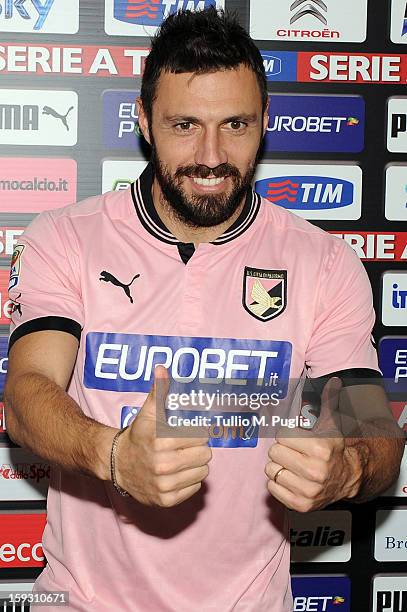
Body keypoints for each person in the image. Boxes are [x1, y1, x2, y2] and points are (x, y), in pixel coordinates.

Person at [4, 7, 404, 612]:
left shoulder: (322, 262)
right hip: (84, 600)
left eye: (235, 124)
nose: (211, 155)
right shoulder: (68, 238)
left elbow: (374, 433)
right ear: (143, 121)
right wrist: (113, 456)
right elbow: (28, 392)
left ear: (265, 123)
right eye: (185, 124)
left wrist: (346, 470)